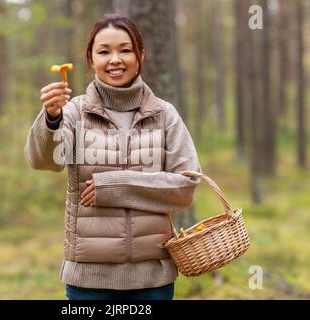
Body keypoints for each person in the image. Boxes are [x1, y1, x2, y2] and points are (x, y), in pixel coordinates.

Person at [25, 13, 201, 300]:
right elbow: (45, 161)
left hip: (152, 279)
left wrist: (117, 186)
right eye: (104, 51)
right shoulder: (74, 112)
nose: (115, 59)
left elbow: (186, 188)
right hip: (88, 279)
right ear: (91, 59)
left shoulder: (164, 114)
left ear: (140, 55)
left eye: (125, 50)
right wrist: (51, 118)